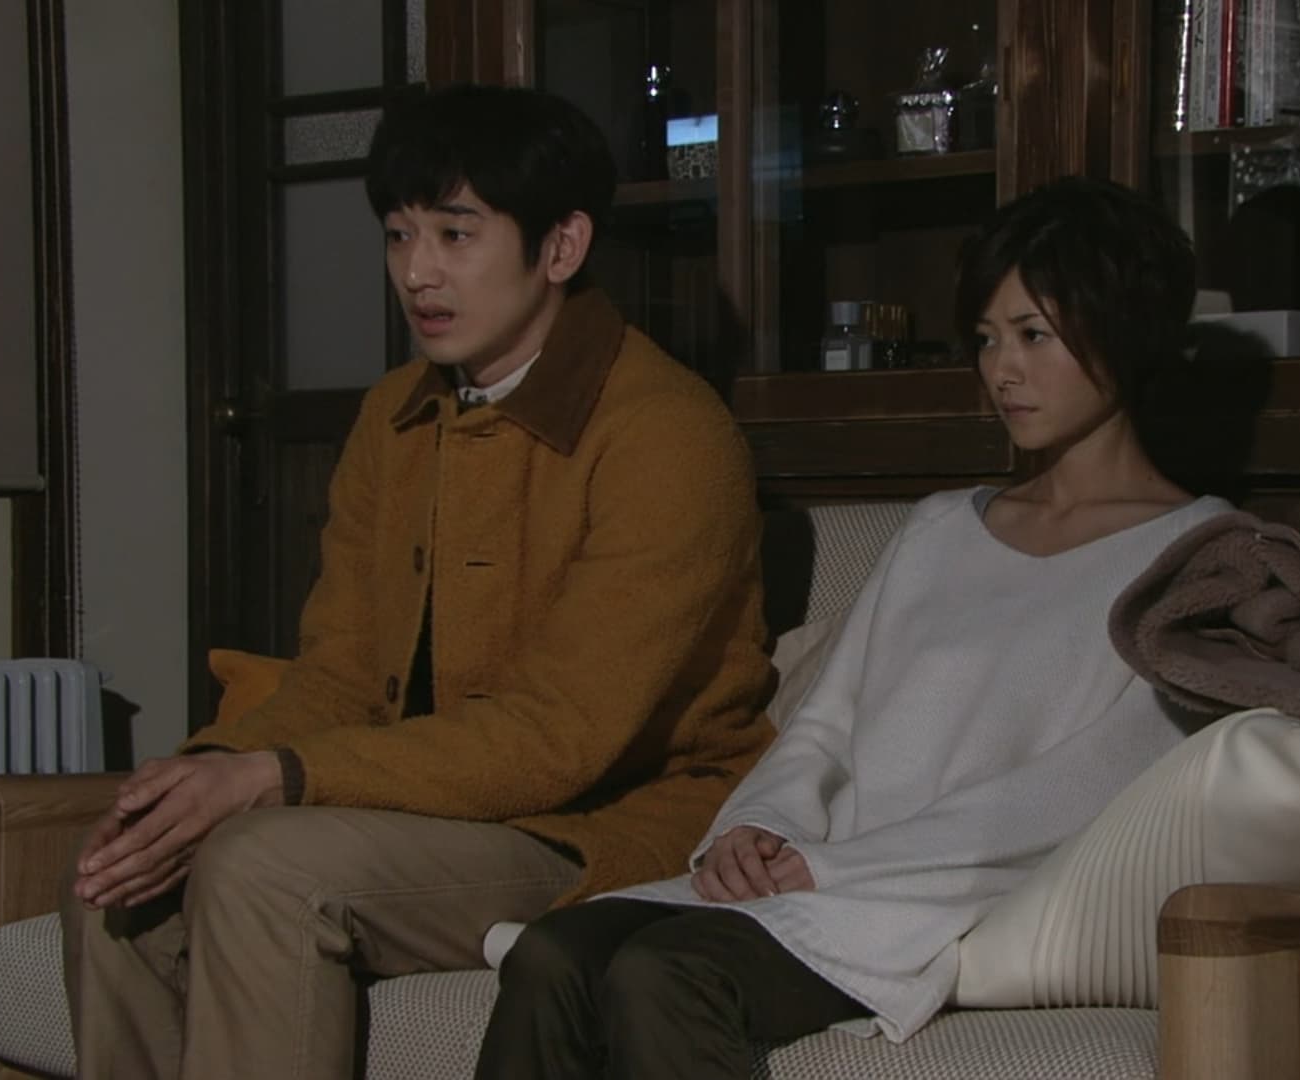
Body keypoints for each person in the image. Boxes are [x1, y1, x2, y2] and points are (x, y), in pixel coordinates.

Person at [59, 83, 776, 1080]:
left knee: (262, 866)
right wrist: (206, 772)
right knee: (118, 878)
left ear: (562, 247)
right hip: (429, 811)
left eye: (455, 234)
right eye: (398, 235)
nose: (416, 272)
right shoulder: (396, 414)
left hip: (605, 823)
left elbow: (561, 739)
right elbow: (340, 676)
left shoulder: (668, 434)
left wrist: (278, 780)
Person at [472, 176, 1236, 1079]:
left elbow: (1085, 792)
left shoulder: (1198, 555)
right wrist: (754, 828)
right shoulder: (940, 528)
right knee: (550, 955)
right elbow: (825, 723)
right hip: (813, 875)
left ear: (1126, 331)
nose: (1002, 370)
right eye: (987, 338)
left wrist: (834, 871)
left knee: (661, 975)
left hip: (944, 896)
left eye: (1034, 335)